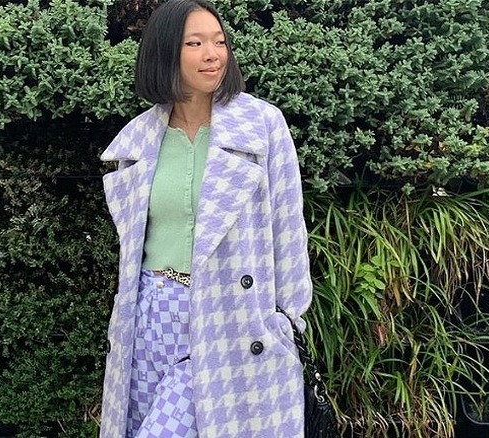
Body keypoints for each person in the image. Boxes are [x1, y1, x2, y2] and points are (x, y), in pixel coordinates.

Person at [99, 0, 313, 436]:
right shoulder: (140, 139)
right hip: (152, 316)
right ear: (164, 53)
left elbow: (288, 230)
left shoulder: (262, 126)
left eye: (218, 42)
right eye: (194, 43)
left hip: (231, 318)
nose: (212, 54)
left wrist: (285, 322)